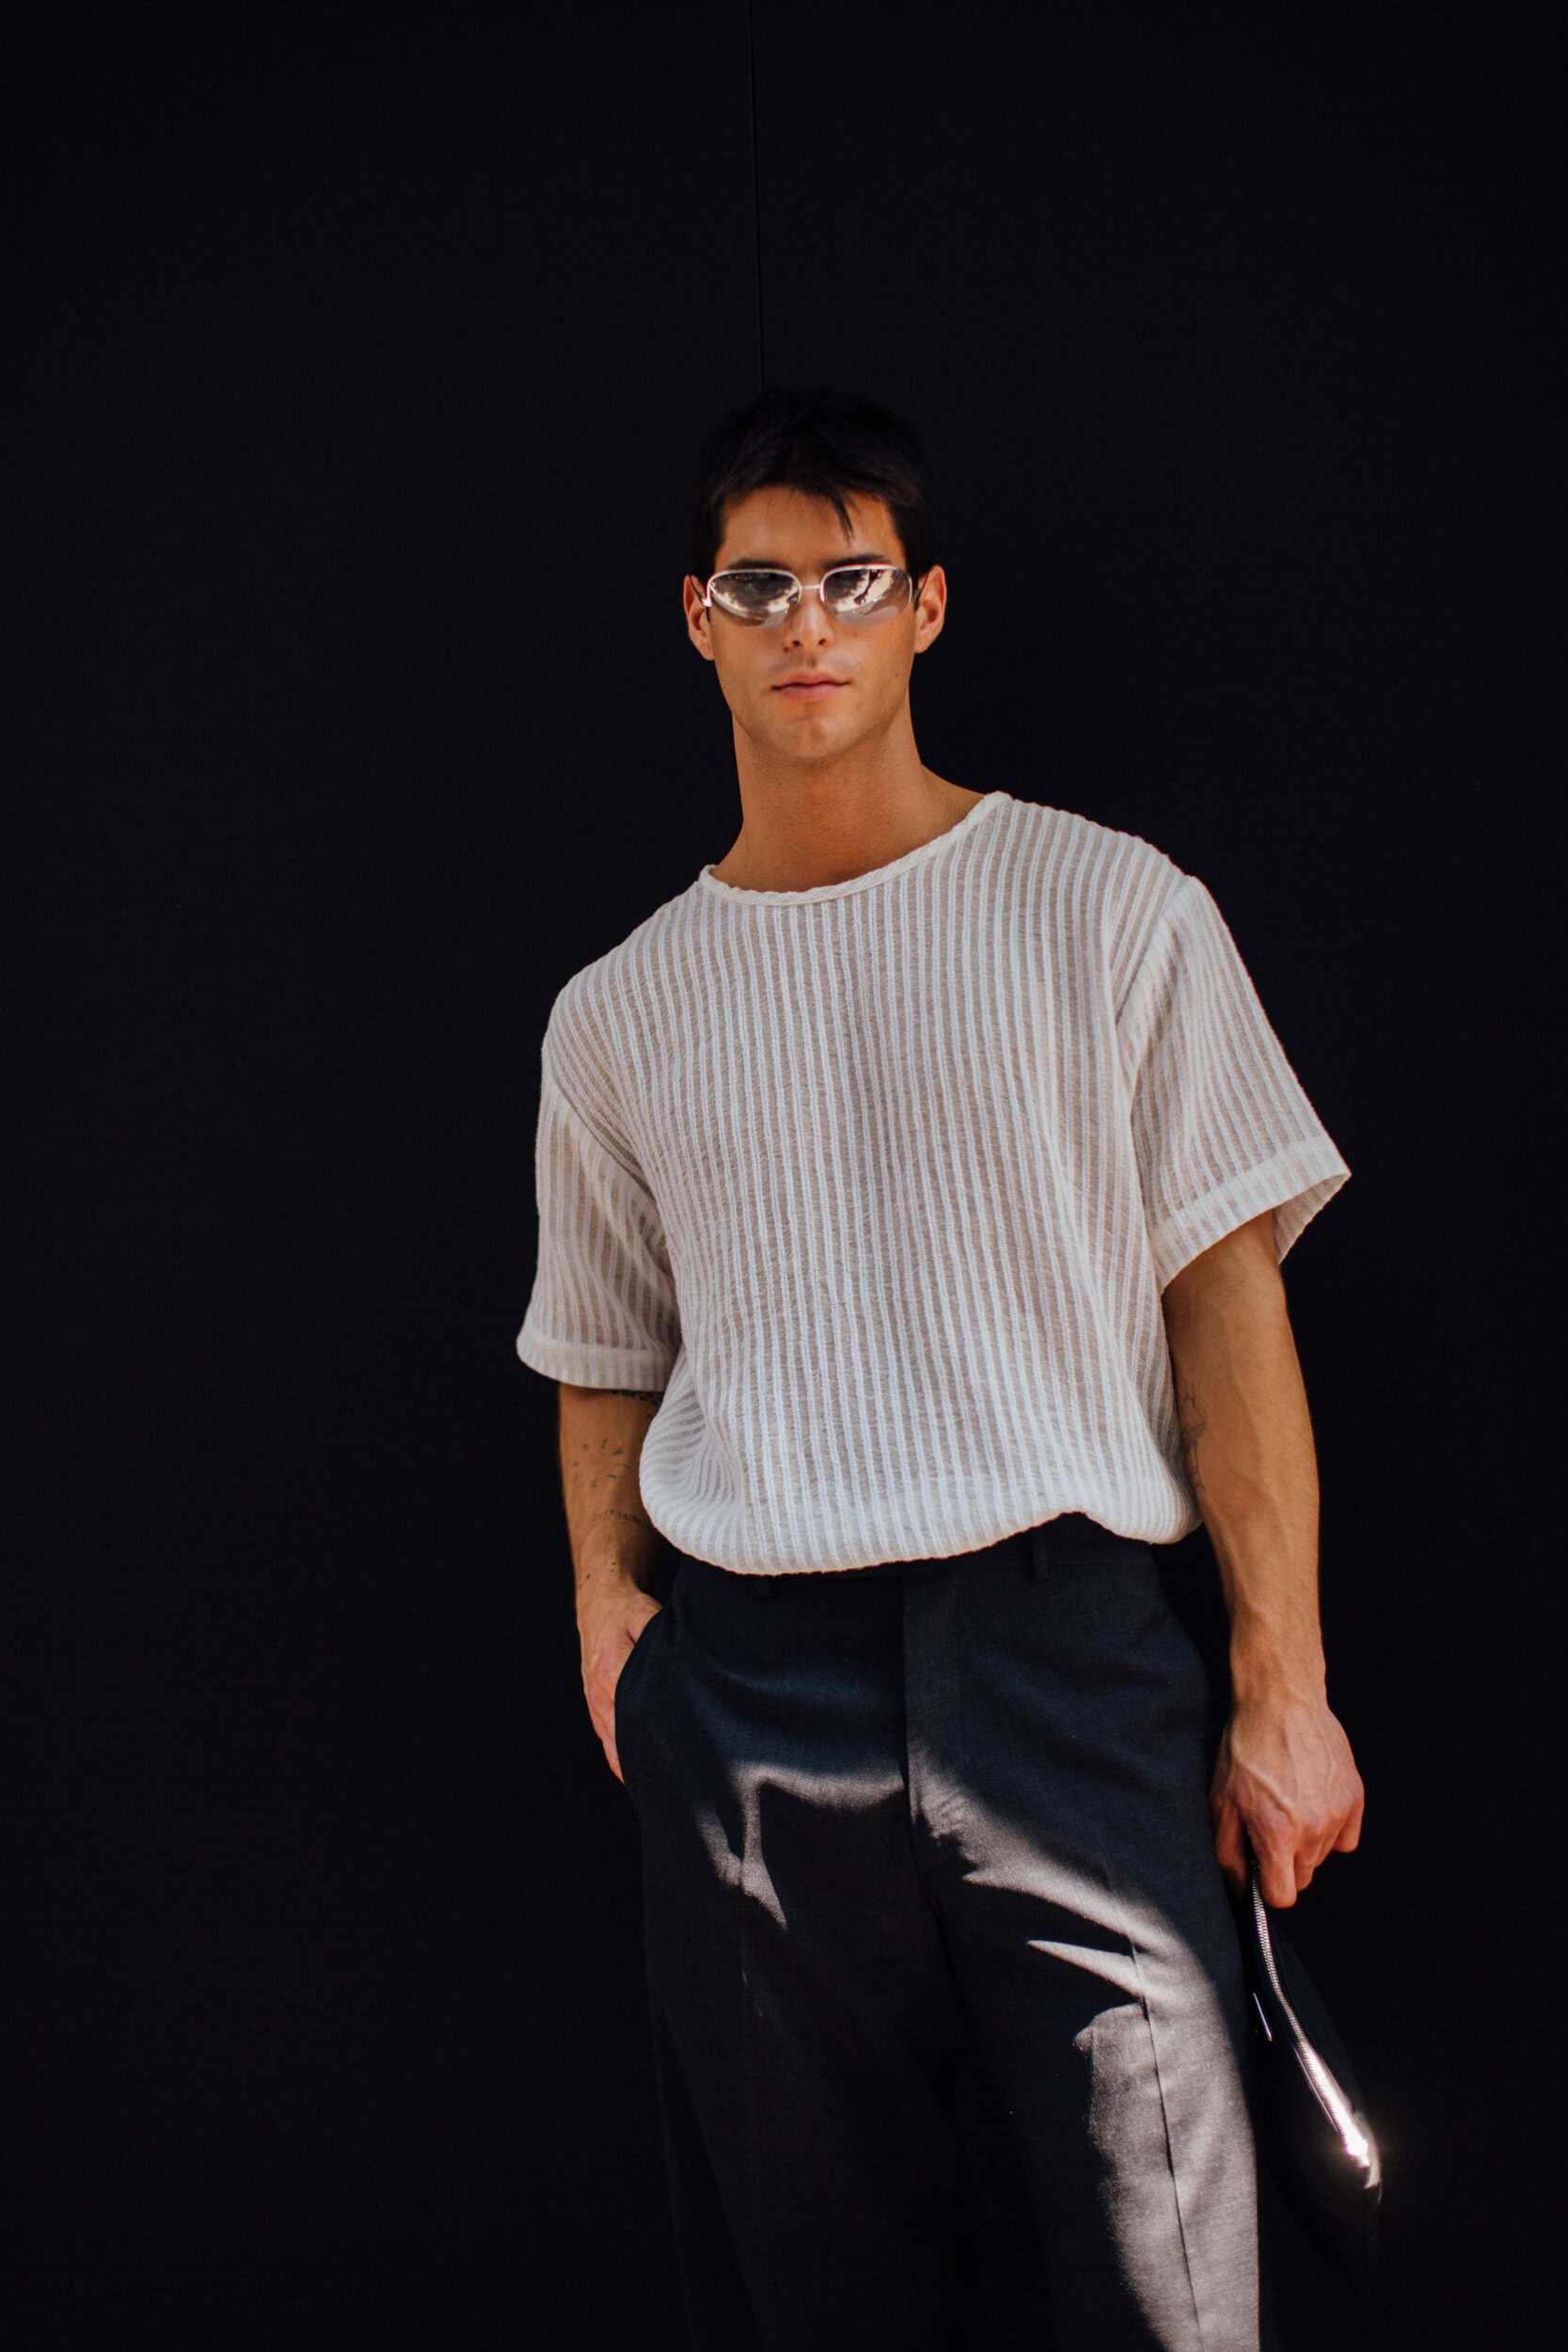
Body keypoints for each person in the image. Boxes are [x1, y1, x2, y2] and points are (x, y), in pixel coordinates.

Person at [517, 387, 1365, 2351]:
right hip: (750, 1692)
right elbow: (605, 1344)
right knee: (825, 2304)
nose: (805, 622)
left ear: (928, 606)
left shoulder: (1114, 910)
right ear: (697, 617)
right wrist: (607, 1614)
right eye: (758, 584)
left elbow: (1230, 1303)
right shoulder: (619, 1010)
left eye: (851, 576)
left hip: (1073, 1664)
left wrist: (1285, 1682)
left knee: (1173, 2288)